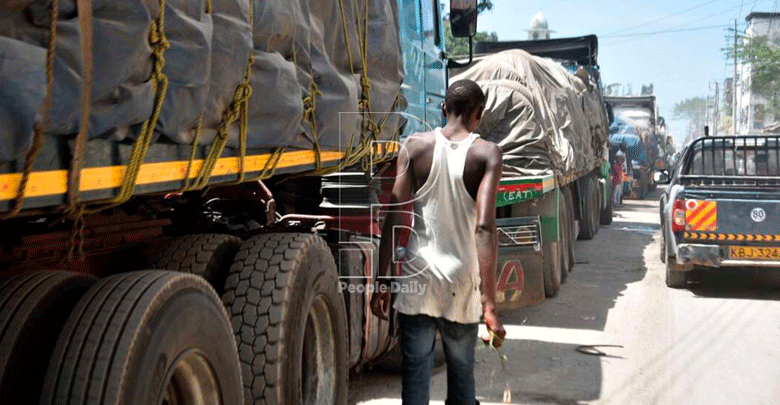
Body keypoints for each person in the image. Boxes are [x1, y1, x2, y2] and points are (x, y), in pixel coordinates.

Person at [371, 79, 506, 405]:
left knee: (415, 373)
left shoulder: (414, 147)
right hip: (460, 282)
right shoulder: (487, 153)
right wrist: (489, 304)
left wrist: (383, 281)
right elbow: (484, 228)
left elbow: (395, 216)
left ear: (443, 109)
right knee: (461, 377)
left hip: (417, 278)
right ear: (478, 114)